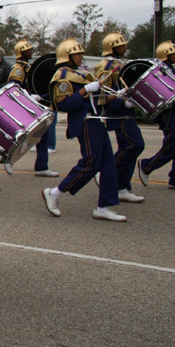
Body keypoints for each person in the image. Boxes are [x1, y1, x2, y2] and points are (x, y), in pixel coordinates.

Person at [41, 38, 128, 221]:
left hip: (96, 121)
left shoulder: (82, 73)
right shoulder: (62, 75)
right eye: (77, 54)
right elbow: (63, 104)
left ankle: (103, 207)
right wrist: (84, 91)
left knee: (108, 165)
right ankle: (54, 193)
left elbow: (97, 100)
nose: (81, 57)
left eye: (81, 53)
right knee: (91, 163)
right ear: (67, 56)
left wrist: (117, 97)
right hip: (85, 122)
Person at [93, 33, 144, 203]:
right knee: (135, 145)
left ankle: (121, 187)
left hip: (126, 111)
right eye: (121, 46)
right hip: (118, 112)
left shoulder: (119, 63)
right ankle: (106, 171)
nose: (125, 48)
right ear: (112, 47)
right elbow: (103, 93)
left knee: (128, 147)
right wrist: (121, 102)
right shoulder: (106, 66)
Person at [6, 40, 58, 178]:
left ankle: (42, 167)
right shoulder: (18, 69)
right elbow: (14, 90)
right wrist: (29, 97)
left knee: (43, 134)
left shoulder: (29, 67)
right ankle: (8, 159)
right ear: (21, 53)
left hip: (34, 105)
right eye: (28, 50)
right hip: (24, 107)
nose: (31, 52)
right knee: (18, 136)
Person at [138, 40, 175, 189]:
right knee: (173, 143)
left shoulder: (169, 70)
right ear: (166, 55)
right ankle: (147, 166)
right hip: (167, 111)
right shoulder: (160, 71)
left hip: (172, 110)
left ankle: (174, 179)